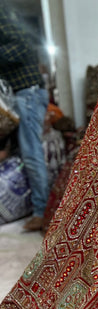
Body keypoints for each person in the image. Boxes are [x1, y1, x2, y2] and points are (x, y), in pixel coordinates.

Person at [0, 2, 50, 231]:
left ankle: (43, 213)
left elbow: (23, 44)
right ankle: (38, 208)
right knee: (28, 153)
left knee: (31, 154)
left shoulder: (3, 12)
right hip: (24, 92)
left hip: (27, 92)